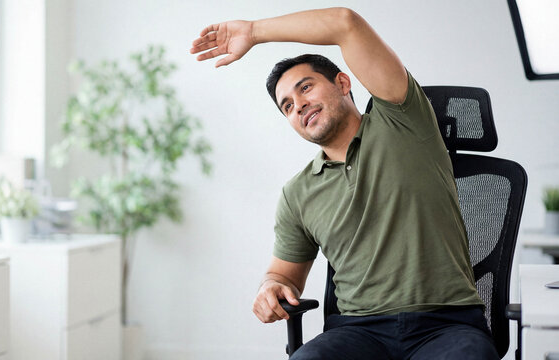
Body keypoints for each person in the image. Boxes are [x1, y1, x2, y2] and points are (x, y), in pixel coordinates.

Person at [191, 7, 499, 360]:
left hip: (447, 326)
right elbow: (283, 275)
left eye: (305, 88)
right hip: (357, 333)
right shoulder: (298, 194)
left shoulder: (403, 120)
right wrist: (270, 287)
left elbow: (345, 24)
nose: (300, 105)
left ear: (342, 83)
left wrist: (254, 31)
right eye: (287, 106)